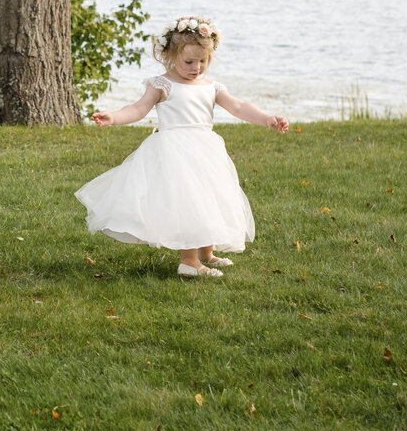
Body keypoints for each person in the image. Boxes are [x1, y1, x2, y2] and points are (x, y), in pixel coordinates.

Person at [75, 16, 287, 278]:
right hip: (174, 151)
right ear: (170, 56)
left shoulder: (211, 87)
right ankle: (189, 262)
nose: (197, 67)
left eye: (203, 61)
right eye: (189, 61)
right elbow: (138, 109)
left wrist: (267, 119)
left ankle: (206, 253)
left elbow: (239, 107)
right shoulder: (162, 84)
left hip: (205, 150)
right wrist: (114, 117)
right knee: (186, 202)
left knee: (206, 198)